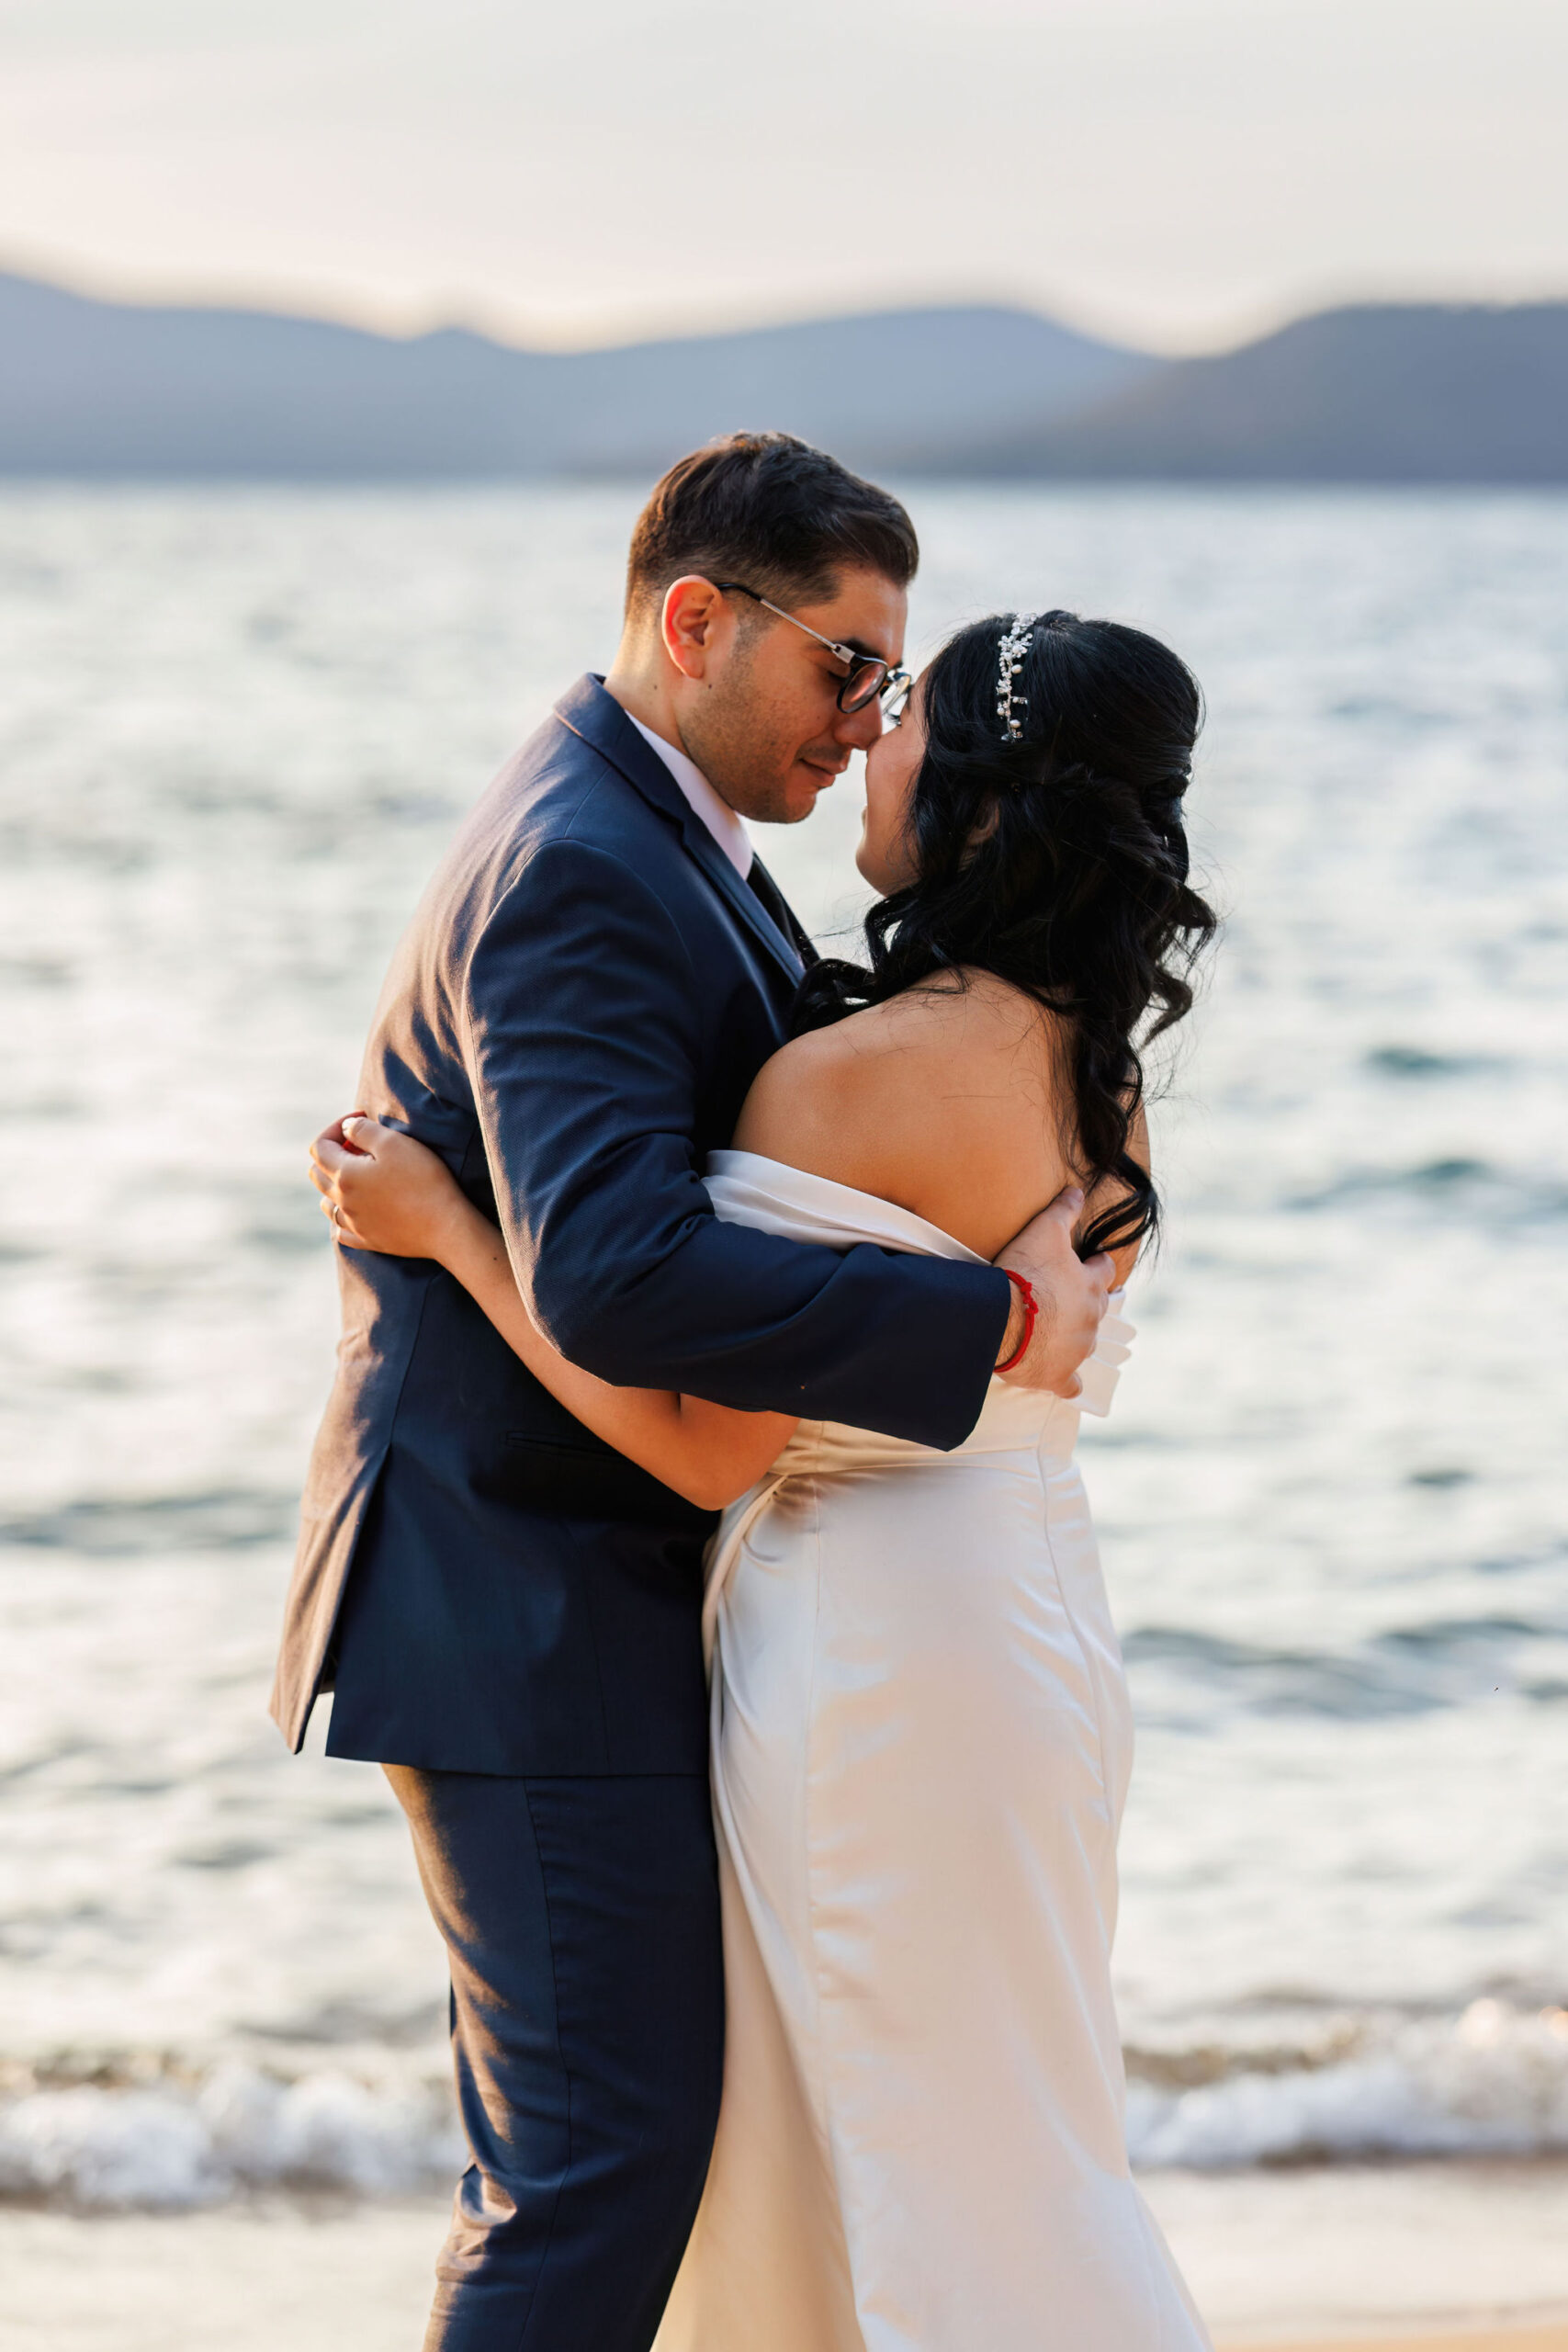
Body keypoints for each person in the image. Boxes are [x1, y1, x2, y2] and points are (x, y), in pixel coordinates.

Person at [275, 433, 1114, 2352]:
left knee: (633, 2147)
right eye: (846, 669)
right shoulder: (576, 860)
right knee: (597, 2161)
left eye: (892, 686)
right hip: (520, 1598)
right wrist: (980, 1329)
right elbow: (619, 1269)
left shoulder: (677, 841)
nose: (865, 720)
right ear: (692, 621)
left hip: (616, 1580)